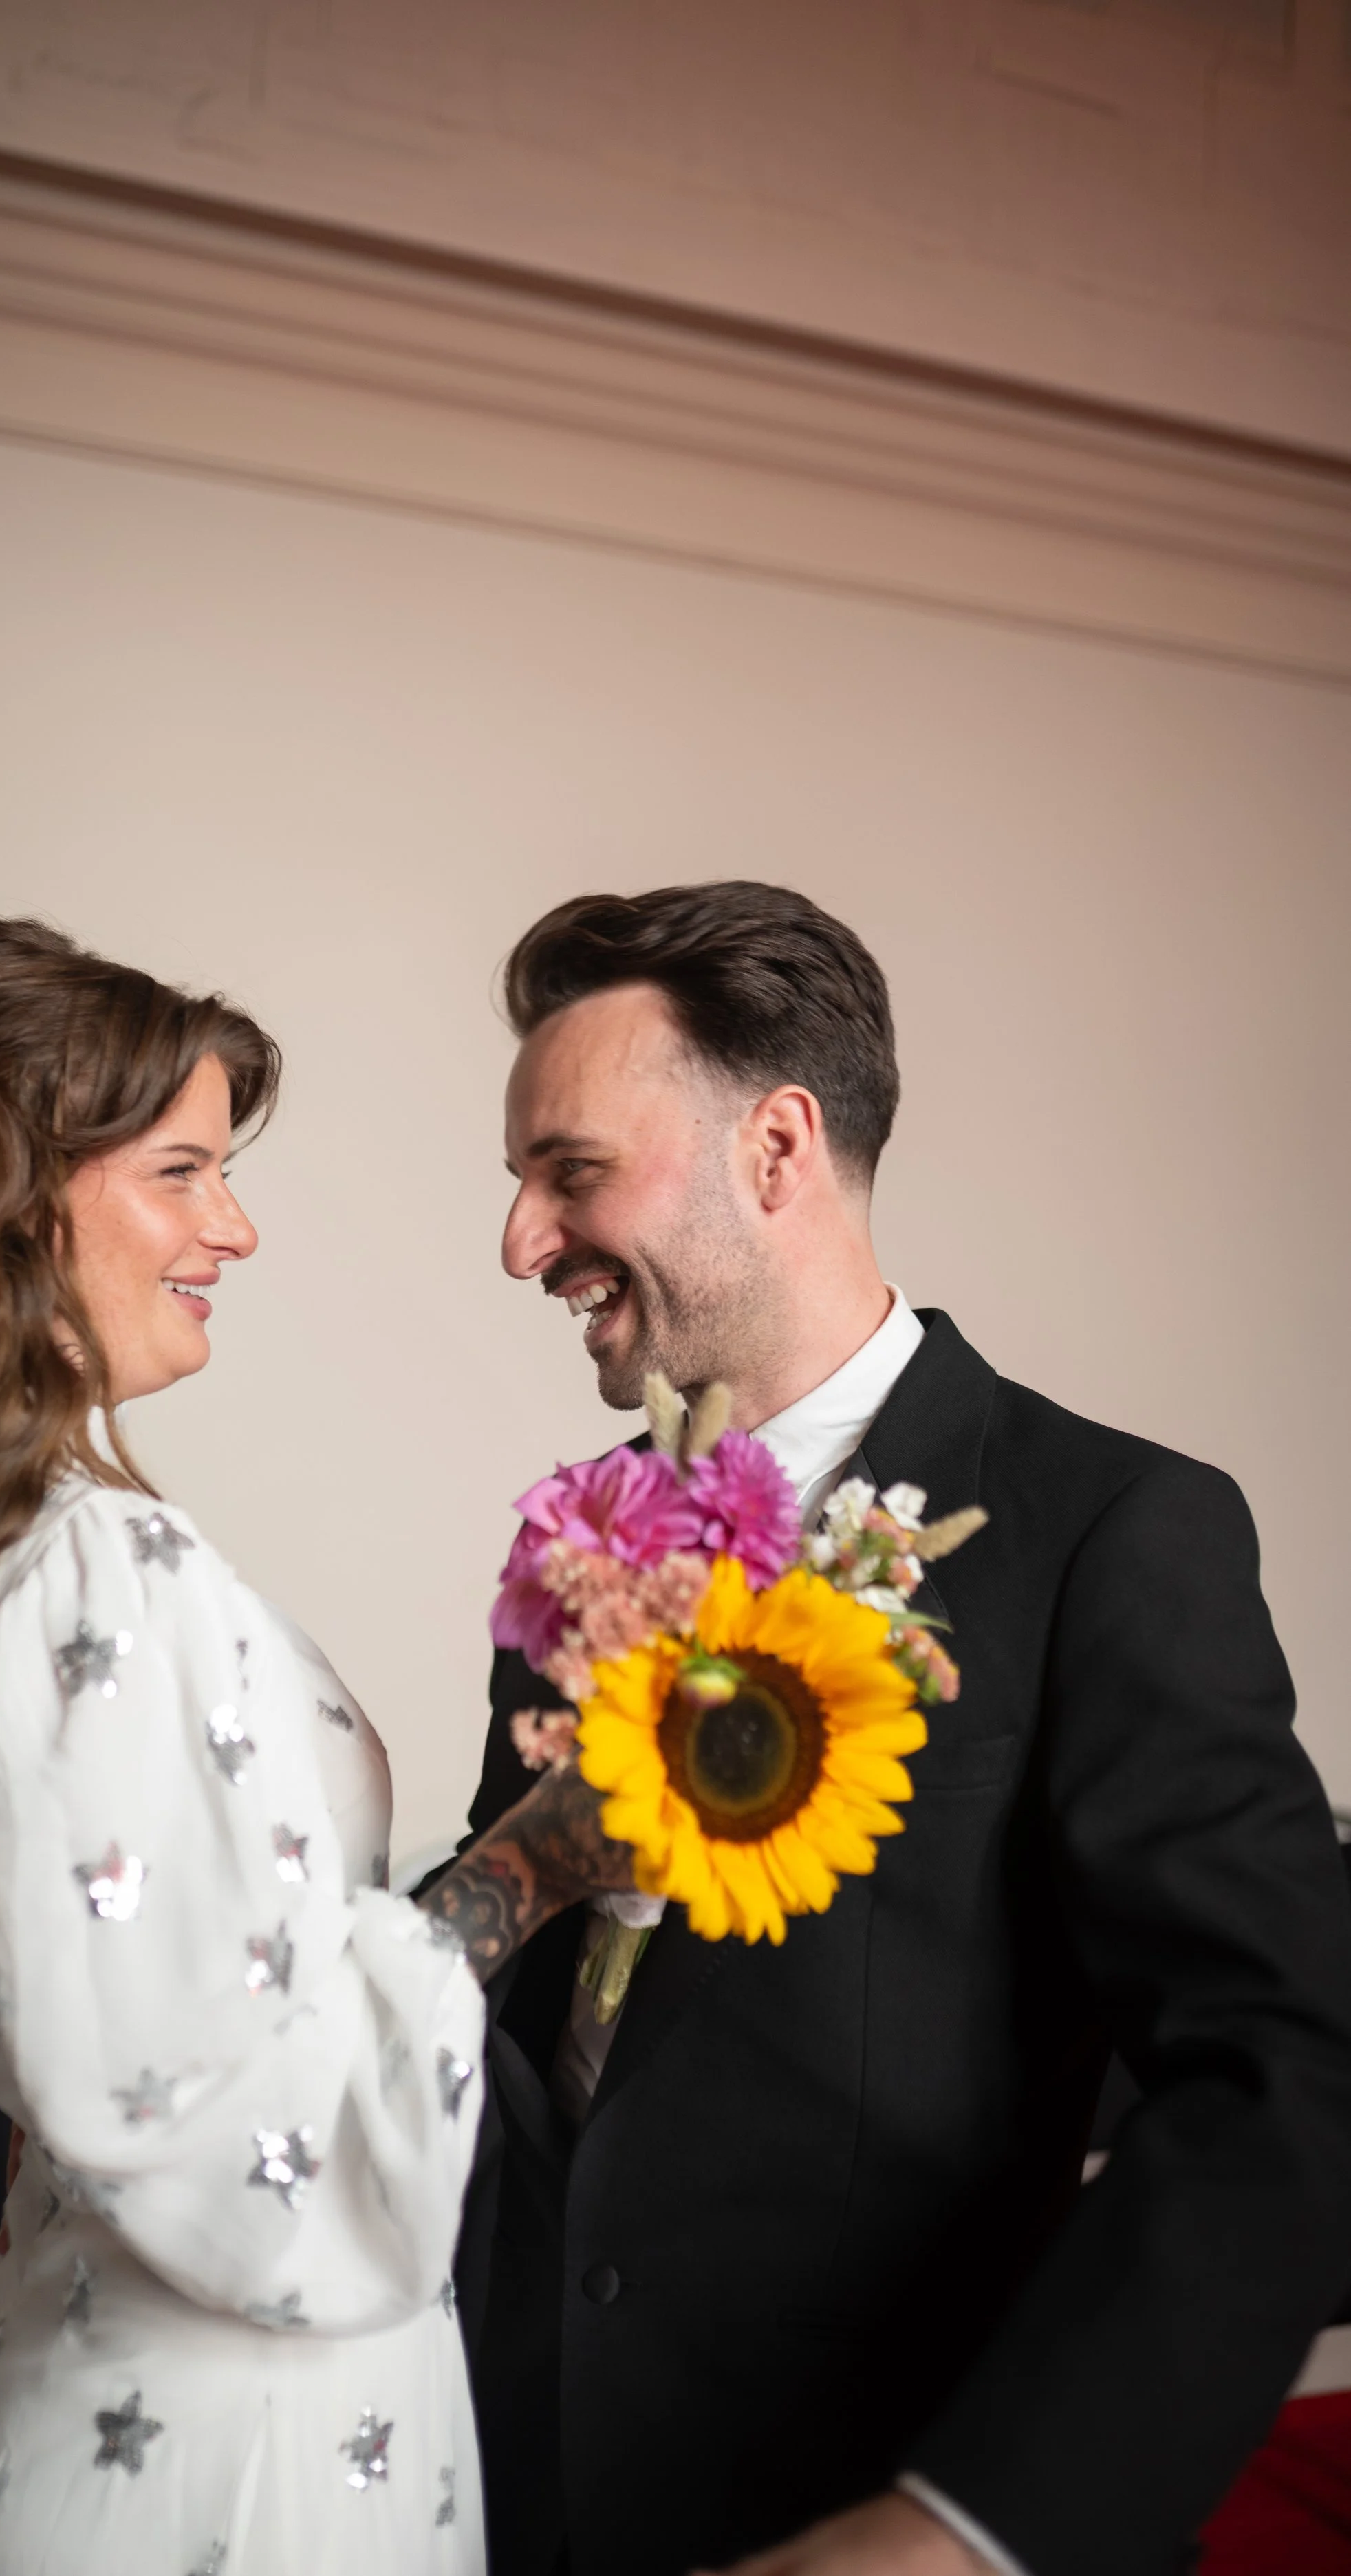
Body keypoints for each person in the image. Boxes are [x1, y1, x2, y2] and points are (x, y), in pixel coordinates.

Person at [0, 911, 632, 2576]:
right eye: (180, 1170)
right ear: (11, 1201)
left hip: (106, 2399)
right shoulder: (88, 1569)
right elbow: (262, 2141)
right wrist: (550, 1849)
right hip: (227, 2471)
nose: (230, 1226)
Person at [451, 881, 1351, 2576]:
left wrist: (962, 2532)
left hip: (862, 2506)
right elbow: (527, 2010)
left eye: (565, 1169)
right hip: (503, 2502)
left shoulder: (1106, 1529)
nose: (519, 1240)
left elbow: (1287, 2080)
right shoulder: (573, 1539)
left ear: (776, 1148)